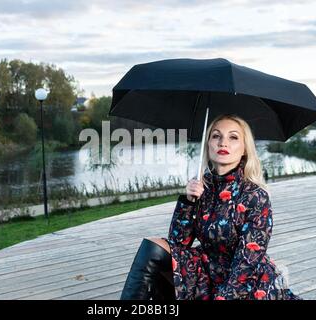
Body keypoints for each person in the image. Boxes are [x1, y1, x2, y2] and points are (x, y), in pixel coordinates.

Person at [120, 114, 301, 300]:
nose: (223, 143)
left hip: (245, 281)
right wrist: (189, 202)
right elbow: (178, 243)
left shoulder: (255, 196)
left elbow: (248, 263)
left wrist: (224, 297)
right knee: (155, 247)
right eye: (216, 136)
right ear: (208, 144)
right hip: (206, 272)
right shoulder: (202, 186)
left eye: (233, 137)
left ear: (245, 149)